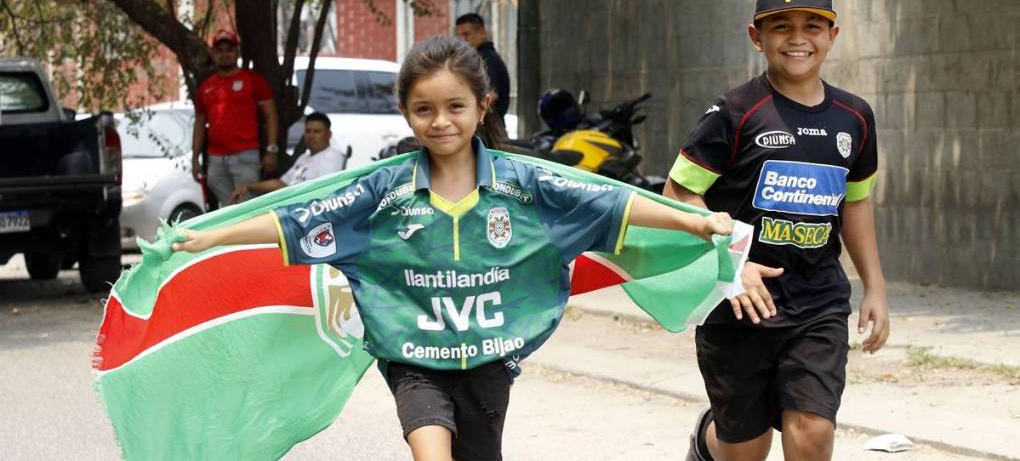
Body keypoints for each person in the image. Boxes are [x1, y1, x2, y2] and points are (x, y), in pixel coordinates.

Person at [172, 35, 733, 461]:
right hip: (413, 362)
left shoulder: (525, 184)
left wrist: (693, 222)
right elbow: (296, 220)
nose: (441, 122)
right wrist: (212, 236)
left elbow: (613, 205)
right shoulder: (381, 191)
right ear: (406, 113)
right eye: (424, 110)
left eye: (455, 107)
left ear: (483, 105)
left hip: (490, 361)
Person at [666, 0, 890, 461]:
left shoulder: (855, 118)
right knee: (744, 449)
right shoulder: (734, 111)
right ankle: (709, 441)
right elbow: (679, 193)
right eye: (781, 25)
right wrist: (732, 262)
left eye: (813, 25)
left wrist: (874, 285)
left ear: (833, 35)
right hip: (739, 303)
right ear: (757, 37)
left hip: (818, 301)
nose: (797, 37)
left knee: (811, 432)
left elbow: (855, 202)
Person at [192, 29, 279, 207]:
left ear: (237, 53)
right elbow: (200, 123)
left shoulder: (252, 80)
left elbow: (271, 115)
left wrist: (271, 149)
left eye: (229, 49)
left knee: (247, 206)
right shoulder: (206, 86)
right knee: (228, 207)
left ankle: (249, 234)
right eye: (220, 50)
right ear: (213, 54)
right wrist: (194, 158)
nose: (224, 54)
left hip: (245, 155)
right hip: (215, 158)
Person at [229, 112, 347, 203]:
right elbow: (281, 183)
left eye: (317, 132)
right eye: (308, 131)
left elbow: (324, 192)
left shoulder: (333, 156)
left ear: (329, 134)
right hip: (289, 205)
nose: (311, 136)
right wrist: (249, 186)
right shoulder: (303, 157)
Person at [454, 13, 511, 122]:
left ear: (482, 33)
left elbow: (491, 95)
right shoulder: (479, 57)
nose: (462, 40)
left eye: (466, 34)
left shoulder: (485, 59)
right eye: (458, 36)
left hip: (488, 130)